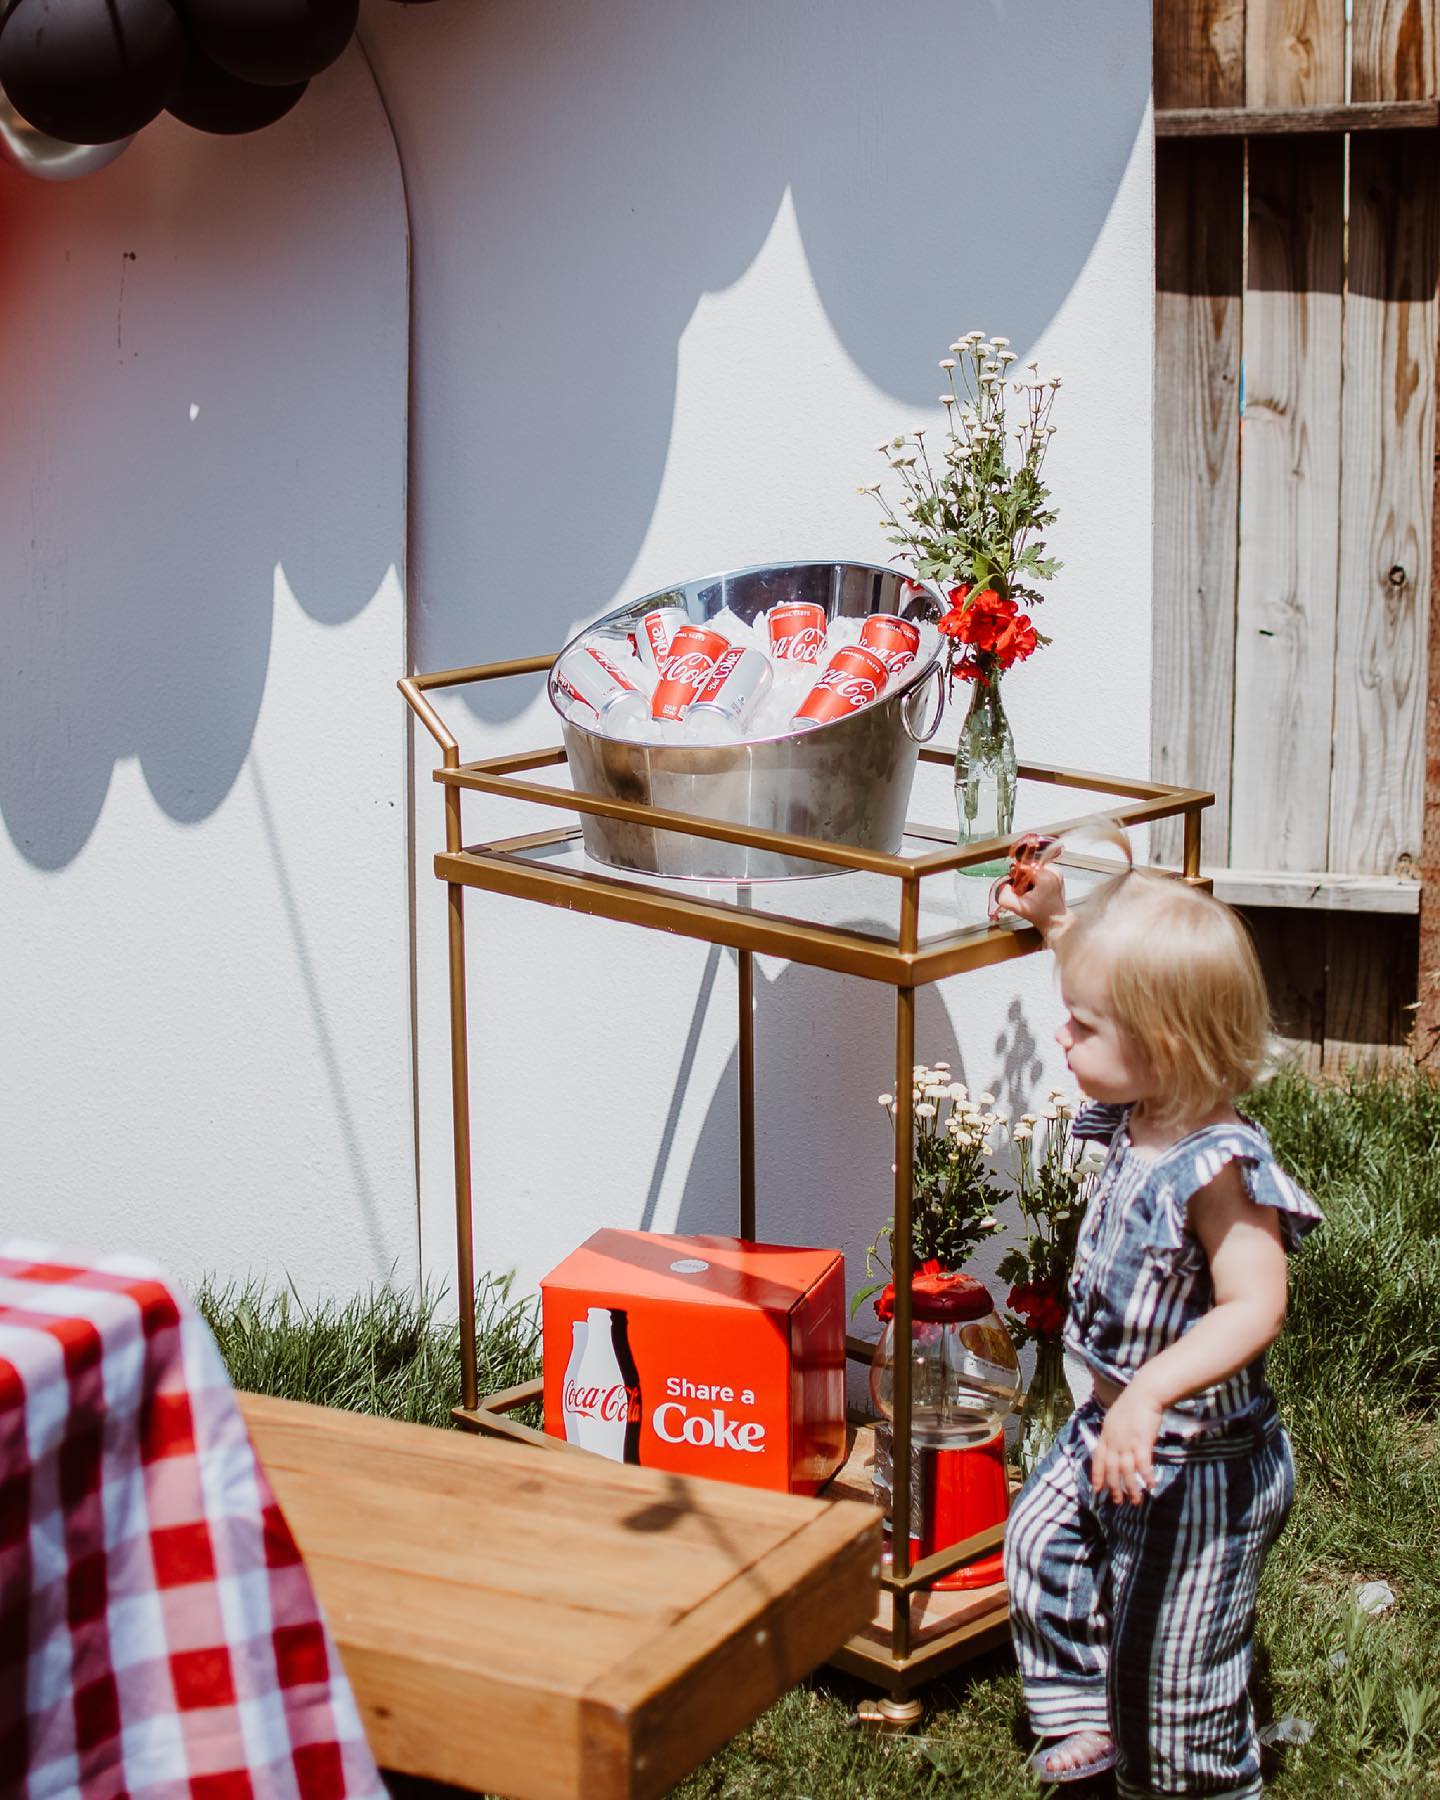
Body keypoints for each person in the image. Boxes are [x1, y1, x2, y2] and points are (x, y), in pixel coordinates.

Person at [993, 840, 1321, 1796]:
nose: (1063, 1038)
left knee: (1172, 1686)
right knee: (1039, 1547)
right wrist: (1056, 917)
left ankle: (1195, 1772)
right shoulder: (1144, 1112)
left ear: (1162, 1047)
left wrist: (1152, 1393)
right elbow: (1098, 975)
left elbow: (1257, 1303)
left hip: (1194, 1467)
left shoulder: (1218, 1167)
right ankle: (1087, 1723)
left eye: (1083, 1026)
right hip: (1112, 1431)